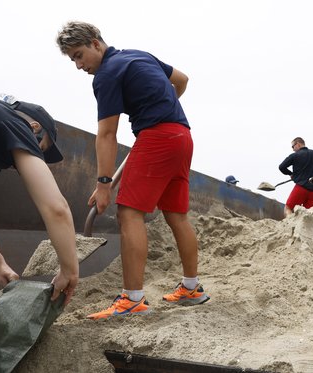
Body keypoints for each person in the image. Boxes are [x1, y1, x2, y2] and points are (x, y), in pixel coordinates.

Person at [56, 21, 209, 319]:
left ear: (96, 43)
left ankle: (132, 300)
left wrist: (103, 184)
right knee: (176, 215)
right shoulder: (140, 55)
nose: (78, 65)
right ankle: (192, 287)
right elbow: (182, 80)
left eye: (78, 55)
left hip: (158, 137)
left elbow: (107, 134)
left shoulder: (106, 75)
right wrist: (158, 105)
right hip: (181, 135)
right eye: (72, 59)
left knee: (128, 212)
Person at [0, 88, 79, 305]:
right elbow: (56, 208)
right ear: (35, 128)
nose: (35, 154)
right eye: (40, 147)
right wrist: (69, 271)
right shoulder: (16, 124)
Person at [278, 137, 313, 217]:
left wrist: (291, 174)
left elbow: (281, 167)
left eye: (293, 147)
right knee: (311, 215)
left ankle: (291, 225)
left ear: (298, 144)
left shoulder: (294, 156)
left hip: (301, 188)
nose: (293, 149)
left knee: (288, 208)